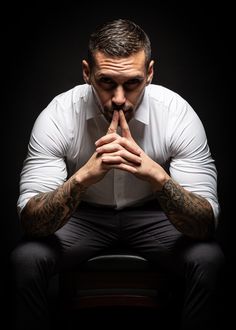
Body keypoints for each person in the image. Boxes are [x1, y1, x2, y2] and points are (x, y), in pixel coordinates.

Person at [10, 18, 224, 330]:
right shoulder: (57, 115)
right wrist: (84, 176)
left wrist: (156, 176)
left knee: (209, 258)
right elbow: (30, 222)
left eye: (133, 83)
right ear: (87, 73)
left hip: (154, 218)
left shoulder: (177, 114)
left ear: (149, 73)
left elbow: (205, 226)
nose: (119, 98)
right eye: (107, 82)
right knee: (26, 258)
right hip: (83, 219)